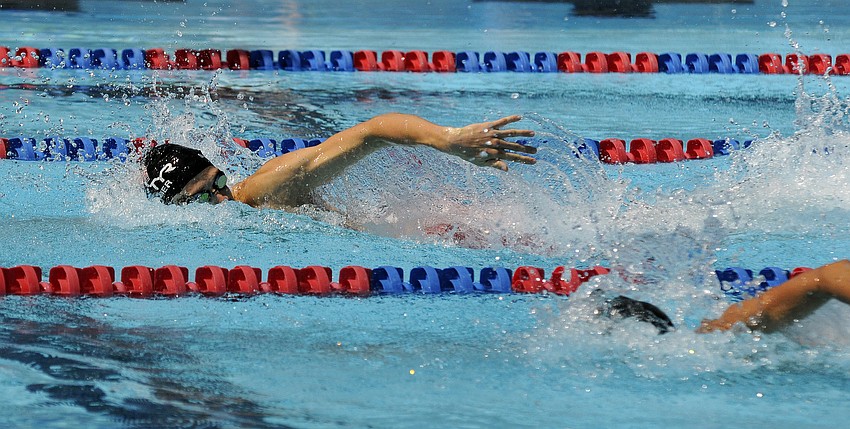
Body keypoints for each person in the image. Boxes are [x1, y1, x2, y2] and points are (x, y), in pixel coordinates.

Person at [142, 113, 537, 207]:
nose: (224, 195)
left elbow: (371, 132)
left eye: (220, 180)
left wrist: (447, 139)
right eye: (208, 193)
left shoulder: (266, 188)